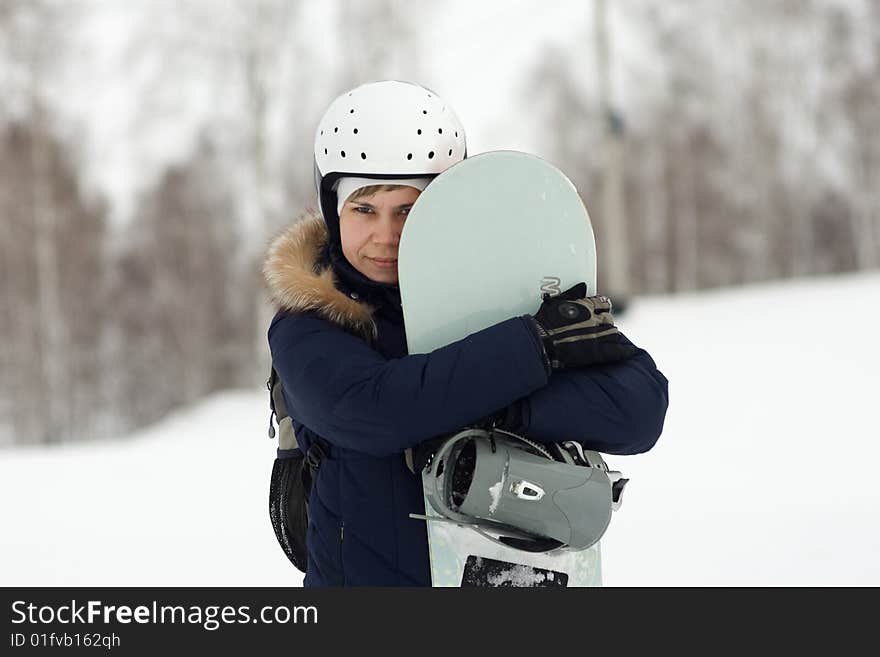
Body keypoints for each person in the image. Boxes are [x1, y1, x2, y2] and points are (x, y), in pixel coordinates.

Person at [263, 80, 669, 587]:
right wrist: (533, 351)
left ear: (442, 207)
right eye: (364, 209)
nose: (386, 234)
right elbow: (375, 411)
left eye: (408, 209)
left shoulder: (507, 294)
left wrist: (504, 406)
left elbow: (640, 410)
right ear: (332, 209)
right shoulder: (308, 324)